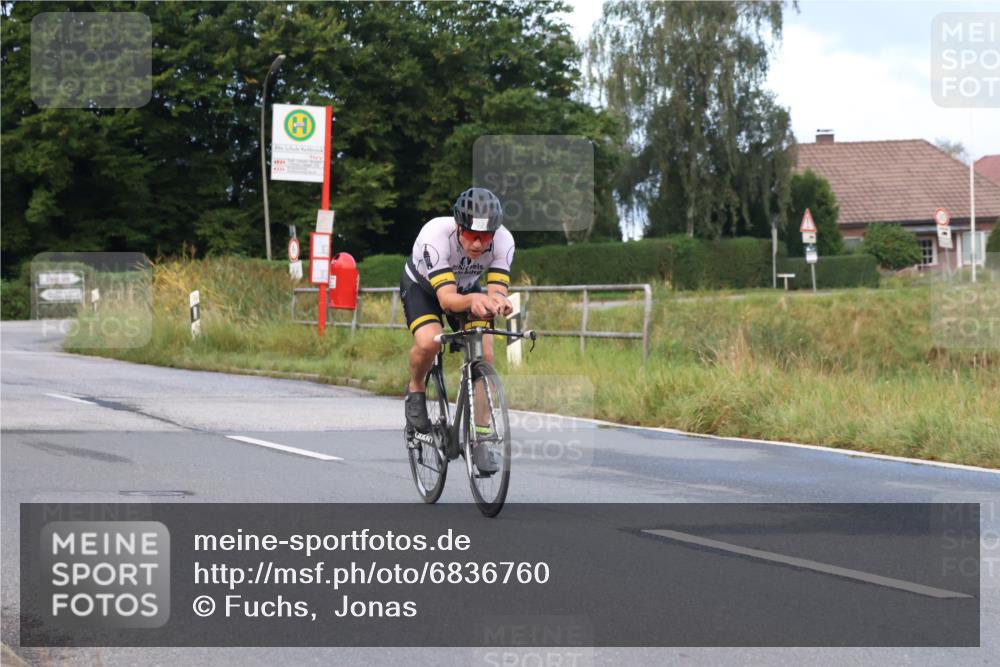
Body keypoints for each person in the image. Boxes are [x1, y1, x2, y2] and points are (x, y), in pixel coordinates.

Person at [400, 187, 515, 473]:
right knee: (429, 342)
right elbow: (447, 301)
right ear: (458, 226)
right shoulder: (435, 237)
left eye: (485, 237)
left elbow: (497, 289)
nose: (477, 244)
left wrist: (498, 302)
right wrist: (477, 299)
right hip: (424, 289)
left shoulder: (505, 241)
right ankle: (415, 389)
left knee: (485, 354)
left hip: (466, 288)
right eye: (471, 235)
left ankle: (481, 439)